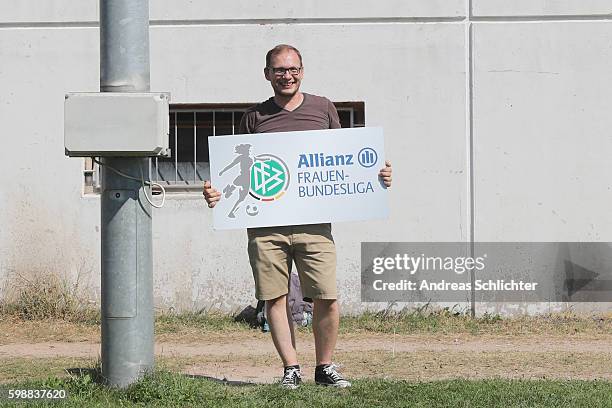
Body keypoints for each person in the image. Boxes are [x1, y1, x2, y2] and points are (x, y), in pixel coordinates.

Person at [203, 44, 393, 389]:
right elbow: (234, 175)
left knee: (326, 296)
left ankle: (325, 367)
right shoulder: (253, 117)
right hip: (265, 227)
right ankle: (291, 368)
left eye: (292, 69)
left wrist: (377, 177)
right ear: (267, 75)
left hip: (315, 224)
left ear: (302, 71)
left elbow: (344, 161)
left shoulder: (323, 108)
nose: (286, 76)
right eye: (279, 70)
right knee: (274, 297)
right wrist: (216, 192)